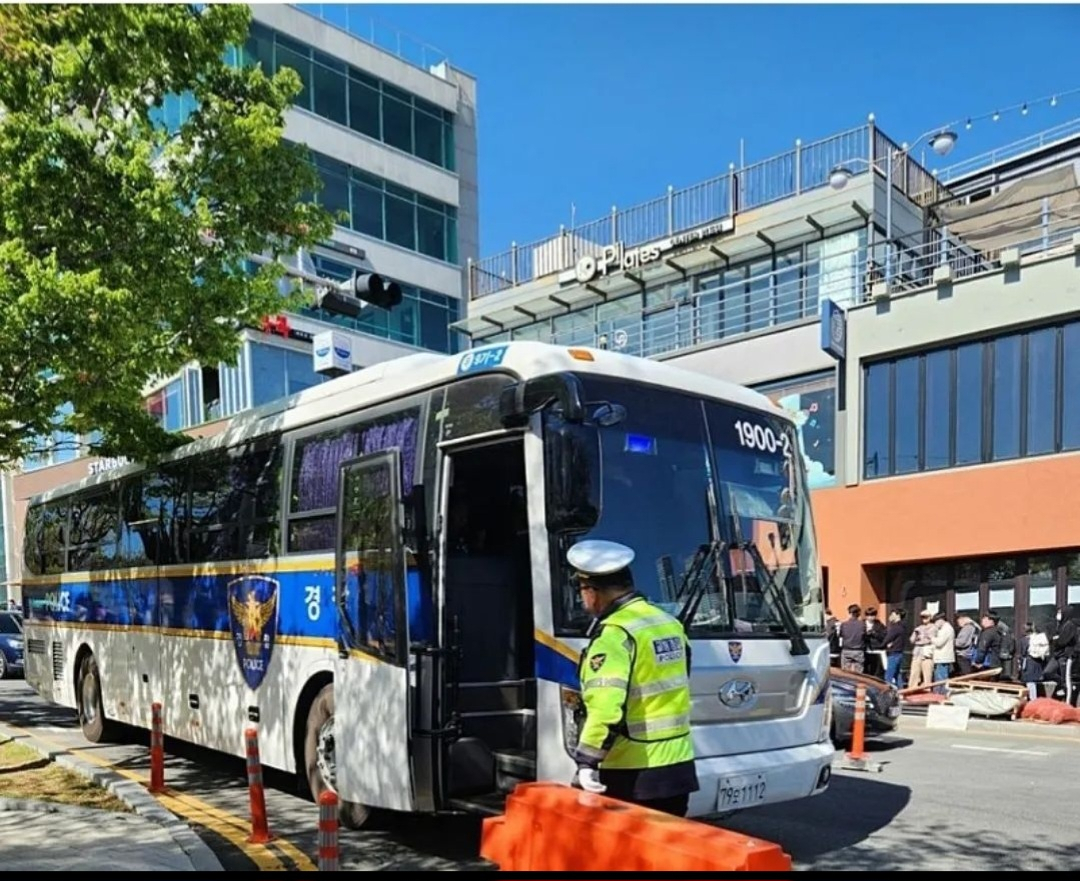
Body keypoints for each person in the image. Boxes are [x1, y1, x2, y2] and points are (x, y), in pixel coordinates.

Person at [568, 539, 699, 817]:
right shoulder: (668, 623)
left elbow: (605, 707)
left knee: (624, 858)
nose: (583, 600)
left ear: (592, 591)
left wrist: (587, 762)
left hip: (633, 772)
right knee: (666, 855)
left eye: (582, 591)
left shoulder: (615, 634)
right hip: (678, 766)